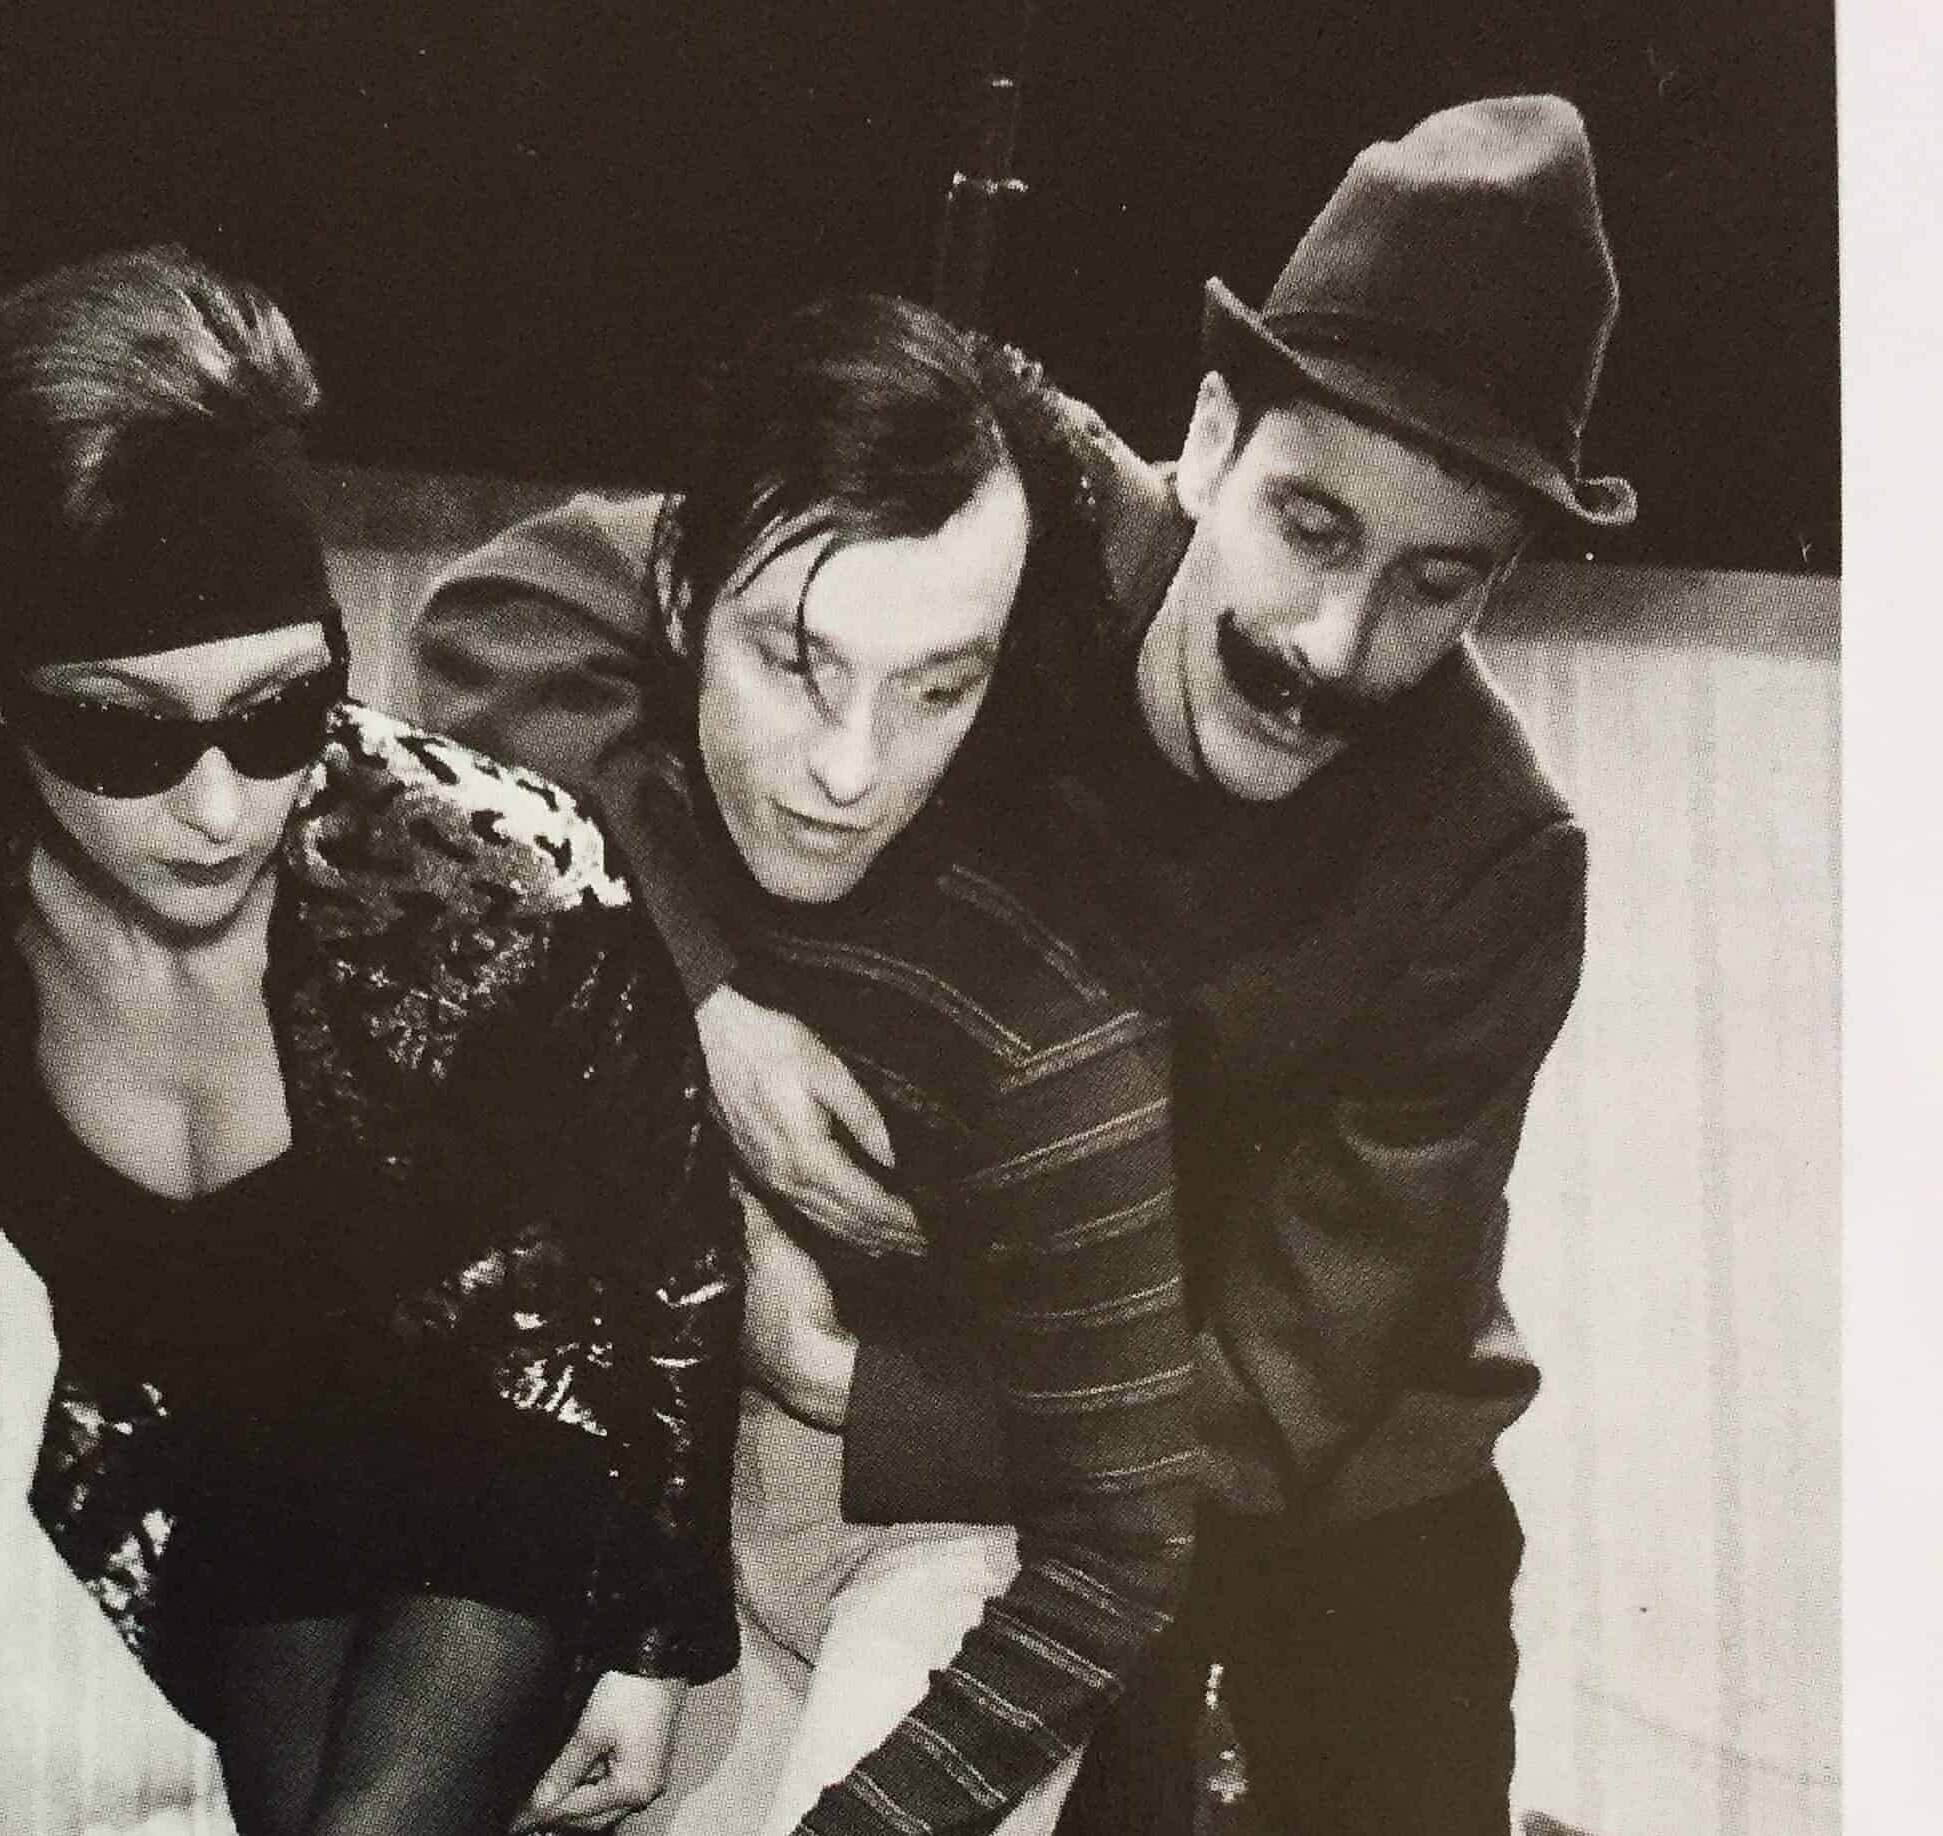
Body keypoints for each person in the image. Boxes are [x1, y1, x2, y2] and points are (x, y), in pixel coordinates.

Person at [422, 95, 1634, 1836]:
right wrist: (705, 1002)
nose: (1334, 641)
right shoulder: (1018, 524)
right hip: (980, 1424)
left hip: (1305, 1487)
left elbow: (1271, 1408)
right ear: (1207, 440)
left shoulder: (1503, 865)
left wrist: (850, 1387)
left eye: (1437, 582)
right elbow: (515, 616)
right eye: (1310, 527)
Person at [0, 245, 744, 1836]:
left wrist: (655, 1644)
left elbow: (675, 1252)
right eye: (118, 733)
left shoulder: (502, 878)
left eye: (282, 710)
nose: (219, 808)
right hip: (252, 1454)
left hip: (520, 1428)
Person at [418, 292, 1200, 1836]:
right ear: (679, 595)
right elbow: (487, 616)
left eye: (937, 687)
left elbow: (1120, 1542)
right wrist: (640, 1600)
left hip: (948, 1534)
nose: (852, 770)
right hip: (648, 1457)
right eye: (797, 662)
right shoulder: (570, 828)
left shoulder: (1050, 1016)